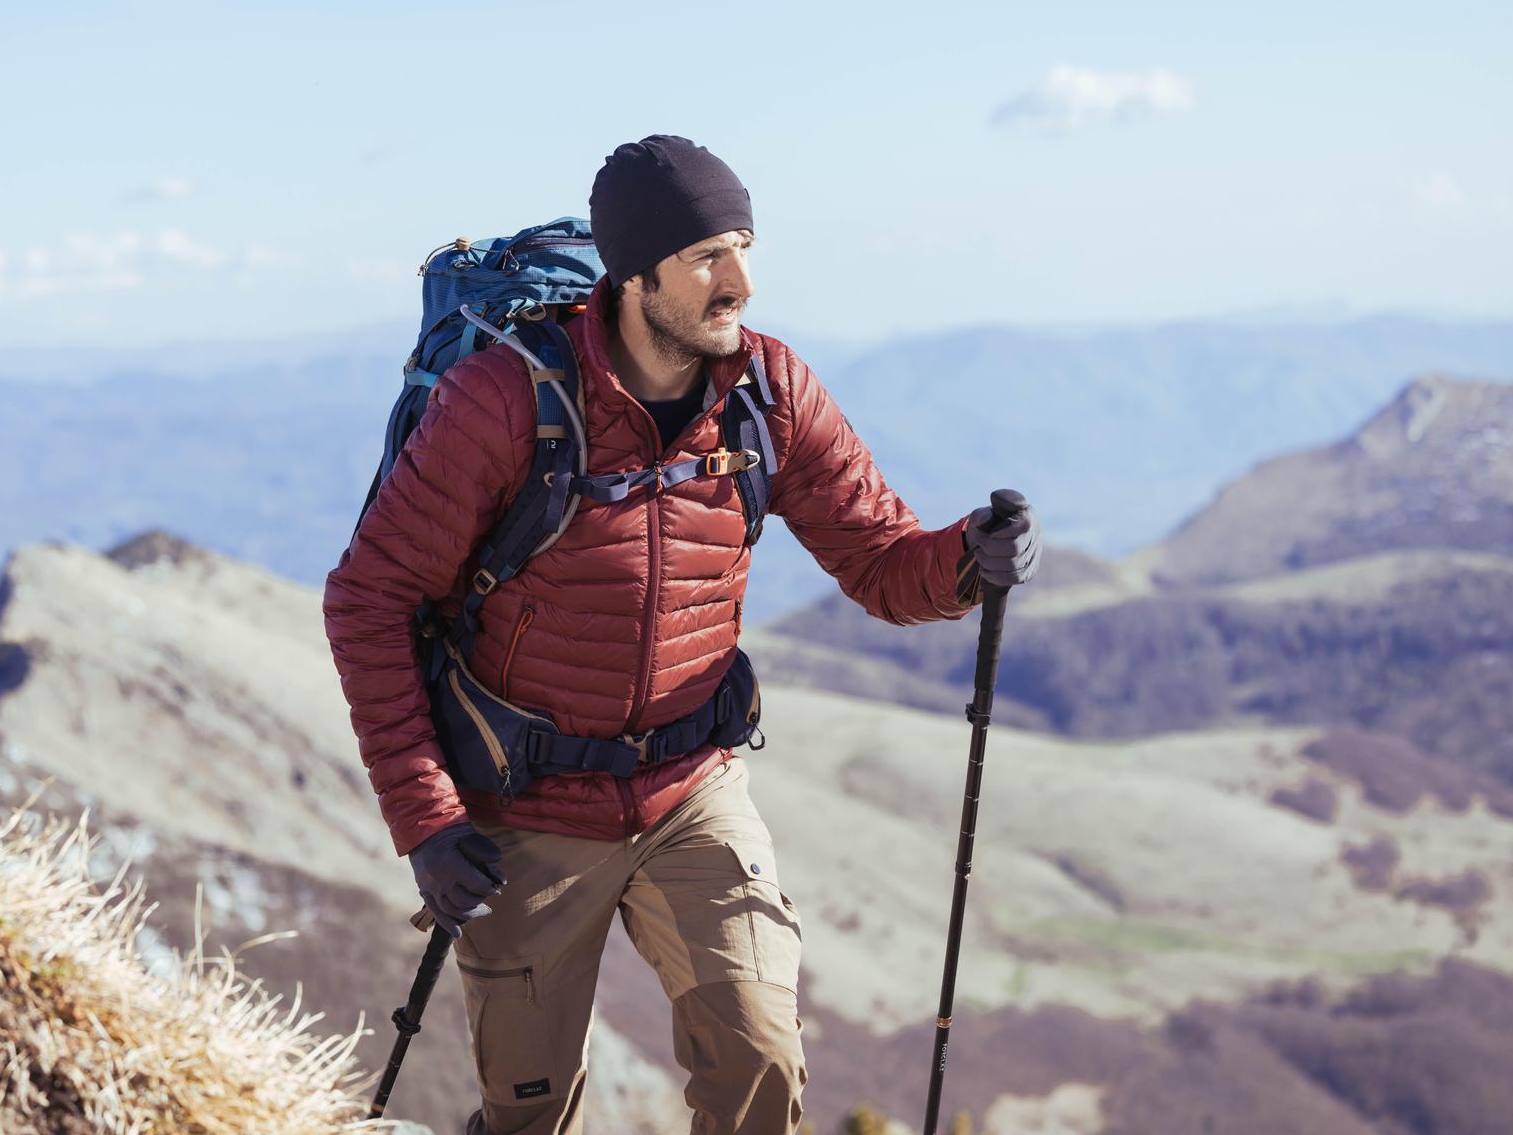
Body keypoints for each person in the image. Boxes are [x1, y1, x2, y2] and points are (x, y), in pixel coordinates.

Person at [323, 135, 1041, 1134]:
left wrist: (969, 556)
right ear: (635, 271)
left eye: (744, 246)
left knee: (760, 1062)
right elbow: (369, 598)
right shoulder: (504, 403)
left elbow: (879, 561)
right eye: (708, 255)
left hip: (690, 787)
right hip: (524, 805)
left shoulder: (768, 391)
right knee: (527, 1110)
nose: (738, 280)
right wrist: (430, 822)